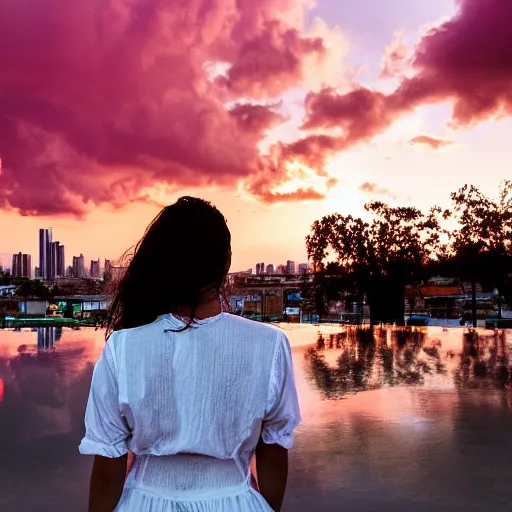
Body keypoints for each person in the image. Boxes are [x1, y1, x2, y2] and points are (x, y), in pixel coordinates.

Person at [79, 197, 301, 512]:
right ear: (226, 264)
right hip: (236, 502)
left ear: (161, 263)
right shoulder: (270, 345)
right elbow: (274, 451)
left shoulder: (122, 347)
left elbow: (107, 468)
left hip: (143, 501)